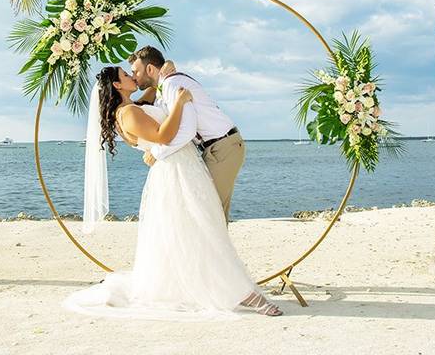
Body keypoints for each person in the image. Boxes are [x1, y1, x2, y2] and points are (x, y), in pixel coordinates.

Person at [62, 66, 282, 319]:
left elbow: (152, 88)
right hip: (177, 171)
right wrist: (180, 103)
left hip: (183, 166)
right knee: (203, 229)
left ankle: (213, 286)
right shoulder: (128, 113)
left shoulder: (134, 105)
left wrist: (162, 72)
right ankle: (244, 295)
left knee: (195, 230)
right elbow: (163, 135)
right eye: (125, 75)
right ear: (116, 86)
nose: (131, 77)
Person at [128, 46, 245, 222]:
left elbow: (188, 130)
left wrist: (156, 153)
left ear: (150, 69)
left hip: (223, 146)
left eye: (136, 72)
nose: (133, 77)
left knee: (209, 212)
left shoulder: (171, 84)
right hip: (217, 148)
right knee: (213, 214)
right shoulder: (163, 88)